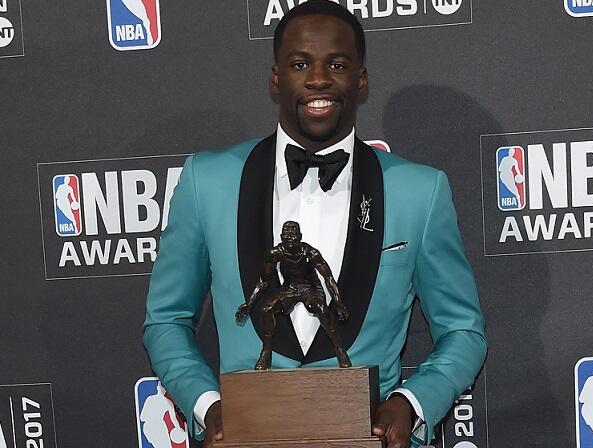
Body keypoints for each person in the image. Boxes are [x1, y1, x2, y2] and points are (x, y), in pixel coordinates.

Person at [143, 1, 486, 447]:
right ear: (275, 77)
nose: (319, 78)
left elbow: (463, 330)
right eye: (300, 63)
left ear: (360, 79)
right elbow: (165, 319)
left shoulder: (420, 191)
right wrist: (209, 406)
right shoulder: (206, 182)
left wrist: (410, 404)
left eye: (337, 64)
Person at [235, 220, 352, 370]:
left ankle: (340, 350)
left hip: (310, 288)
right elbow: (264, 280)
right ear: (281, 236)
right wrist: (249, 303)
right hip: (289, 288)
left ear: (300, 236)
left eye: (293, 234)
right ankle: (266, 352)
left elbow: (328, 278)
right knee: (266, 309)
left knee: (321, 309)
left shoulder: (310, 252)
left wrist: (338, 303)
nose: (289, 237)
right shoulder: (275, 253)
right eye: (286, 234)